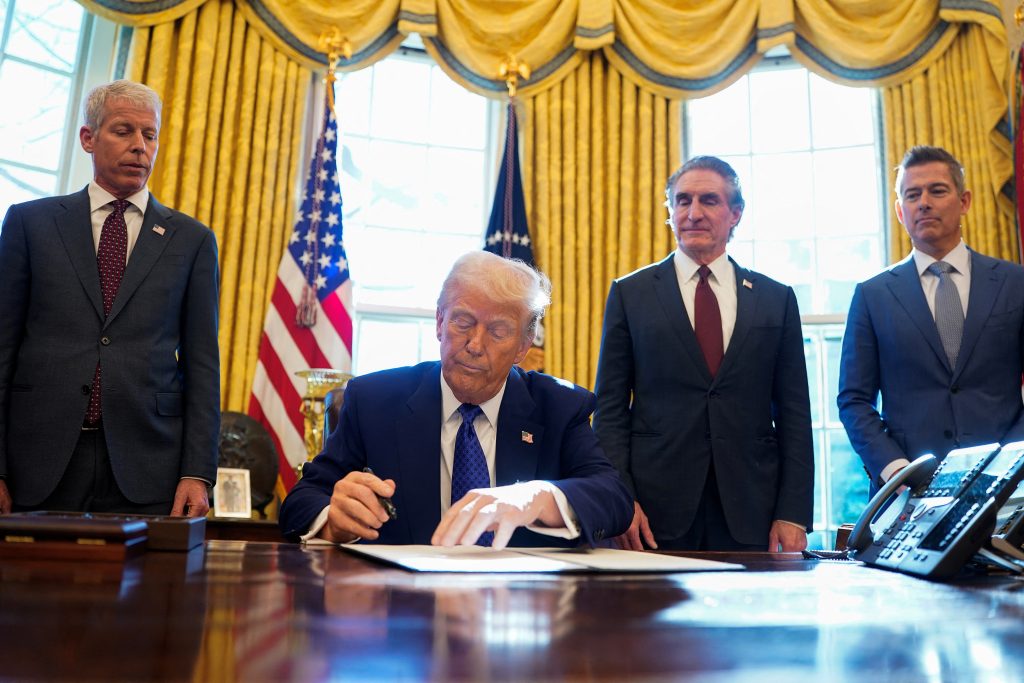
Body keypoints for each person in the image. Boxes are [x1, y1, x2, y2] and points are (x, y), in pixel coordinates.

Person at [279, 250, 633, 548]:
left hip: (517, 613)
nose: (475, 345)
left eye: (498, 331)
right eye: (462, 322)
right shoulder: (375, 401)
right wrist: (333, 520)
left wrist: (535, 497)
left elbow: (613, 499)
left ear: (523, 347)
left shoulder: (558, 406)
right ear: (439, 322)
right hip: (404, 610)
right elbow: (301, 501)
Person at [0, 80, 220, 517]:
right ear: (88, 138)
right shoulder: (30, 224)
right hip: (37, 461)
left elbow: (202, 366)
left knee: (146, 588)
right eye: (123, 131)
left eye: (150, 134)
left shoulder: (192, 240)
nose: (140, 146)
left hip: (148, 464)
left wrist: (198, 472)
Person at [592, 156, 814, 552]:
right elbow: (609, 410)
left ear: (735, 213)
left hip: (753, 510)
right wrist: (619, 502)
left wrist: (793, 512)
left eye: (709, 201)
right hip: (653, 514)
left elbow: (795, 412)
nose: (693, 213)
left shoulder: (775, 299)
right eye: (682, 201)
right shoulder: (631, 294)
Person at [838, 146, 1024, 493]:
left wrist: (1011, 463)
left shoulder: (1015, 284)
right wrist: (896, 470)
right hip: (909, 492)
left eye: (937, 190)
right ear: (899, 210)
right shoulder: (872, 295)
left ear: (965, 200)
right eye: (912, 194)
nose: (924, 202)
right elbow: (853, 400)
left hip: (1008, 489)